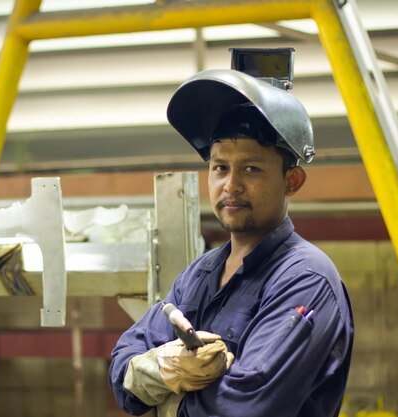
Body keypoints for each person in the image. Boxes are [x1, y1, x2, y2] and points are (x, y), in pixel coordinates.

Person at [108, 55, 354, 417]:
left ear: (292, 180)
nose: (231, 185)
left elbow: (247, 407)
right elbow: (121, 369)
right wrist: (162, 366)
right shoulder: (201, 274)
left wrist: (168, 398)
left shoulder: (306, 279)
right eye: (220, 167)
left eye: (251, 169)